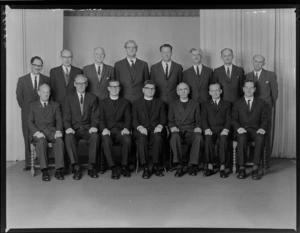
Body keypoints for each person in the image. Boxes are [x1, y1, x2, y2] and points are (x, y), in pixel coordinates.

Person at [63, 74, 100, 180]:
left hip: (88, 128)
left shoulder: (92, 97)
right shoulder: (68, 98)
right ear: (75, 84)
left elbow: (95, 115)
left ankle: (91, 167)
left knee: (95, 136)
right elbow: (65, 116)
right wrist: (68, 127)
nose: (81, 85)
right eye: (78, 83)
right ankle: (76, 168)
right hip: (74, 129)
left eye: (83, 83)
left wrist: (94, 126)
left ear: (87, 84)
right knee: (68, 137)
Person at [16, 56, 50, 171]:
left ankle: (44, 161)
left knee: (43, 136)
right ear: (31, 65)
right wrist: (27, 110)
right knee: (27, 136)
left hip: (43, 114)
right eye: (35, 65)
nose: (38, 67)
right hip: (27, 114)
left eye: (40, 65)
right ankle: (28, 163)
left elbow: (49, 96)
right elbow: (19, 98)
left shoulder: (46, 79)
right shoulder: (22, 80)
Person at [245, 55, 279, 168]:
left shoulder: (270, 75)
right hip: (251, 110)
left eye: (260, 62)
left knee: (265, 134)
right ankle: (253, 159)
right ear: (252, 62)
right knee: (252, 132)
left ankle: (266, 161)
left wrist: (270, 108)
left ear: (264, 63)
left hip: (266, 109)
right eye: (255, 61)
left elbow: (274, 94)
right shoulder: (247, 76)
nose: (257, 64)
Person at [231, 80, 269, 180]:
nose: (248, 90)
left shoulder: (261, 103)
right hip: (242, 130)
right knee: (242, 138)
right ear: (243, 89)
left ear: (255, 89)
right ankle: (242, 168)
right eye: (246, 87)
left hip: (256, 130)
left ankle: (255, 168)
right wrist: (238, 128)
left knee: (260, 137)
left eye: (251, 87)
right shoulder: (237, 103)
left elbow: (265, 118)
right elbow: (233, 119)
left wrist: (262, 128)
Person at [28, 84, 65, 181]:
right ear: (39, 93)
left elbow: (59, 120)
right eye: (43, 92)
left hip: (52, 131)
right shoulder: (33, 105)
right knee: (41, 142)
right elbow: (29, 122)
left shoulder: (55, 105)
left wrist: (58, 131)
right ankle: (45, 171)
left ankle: (59, 170)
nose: (45, 94)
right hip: (39, 132)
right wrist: (36, 132)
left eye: (47, 92)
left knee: (59, 140)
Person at [132, 80, 167, 179]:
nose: (150, 90)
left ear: (155, 90)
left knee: (158, 138)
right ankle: (145, 167)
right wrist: (140, 127)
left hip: (156, 129)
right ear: (143, 90)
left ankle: (156, 166)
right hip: (141, 130)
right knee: (142, 139)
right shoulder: (136, 103)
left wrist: (160, 126)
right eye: (148, 88)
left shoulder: (160, 103)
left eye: (152, 89)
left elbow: (163, 118)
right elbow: (134, 119)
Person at [168, 82, 204, 177]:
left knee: (199, 137)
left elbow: (199, 120)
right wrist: (172, 127)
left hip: (191, 131)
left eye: (185, 89)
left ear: (188, 91)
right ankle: (179, 165)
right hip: (178, 131)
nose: (183, 91)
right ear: (177, 92)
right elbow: (170, 120)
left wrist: (198, 127)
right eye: (180, 90)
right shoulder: (173, 104)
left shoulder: (195, 104)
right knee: (174, 136)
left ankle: (192, 165)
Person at [99, 80, 132, 180]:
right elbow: (100, 119)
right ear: (108, 88)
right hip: (107, 130)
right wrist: (104, 129)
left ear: (120, 88)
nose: (115, 89)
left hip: (120, 130)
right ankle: (113, 167)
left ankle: (124, 166)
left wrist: (126, 128)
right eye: (112, 87)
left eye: (117, 87)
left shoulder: (125, 102)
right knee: (106, 140)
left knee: (127, 140)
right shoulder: (102, 102)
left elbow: (128, 117)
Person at [201, 83, 231, 178]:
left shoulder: (227, 104)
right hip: (211, 129)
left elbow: (229, 119)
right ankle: (209, 165)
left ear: (221, 91)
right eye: (212, 91)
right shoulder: (205, 104)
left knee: (223, 139)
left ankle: (223, 166)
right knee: (208, 139)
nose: (215, 93)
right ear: (209, 92)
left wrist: (226, 129)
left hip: (223, 129)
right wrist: (206, 129)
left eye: (217, 90)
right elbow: (204, 119)